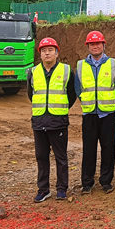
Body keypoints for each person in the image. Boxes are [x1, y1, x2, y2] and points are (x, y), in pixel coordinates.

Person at [27, 37, 77, 203]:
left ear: (57, 53)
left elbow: (71, 95)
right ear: (40, 54)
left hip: (58, 122)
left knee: (61, 157)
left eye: (50, 50)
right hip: (39, 121)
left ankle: (62, 189)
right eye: (43, 50)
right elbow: (31, 94)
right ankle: (43, 190)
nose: (47, 53)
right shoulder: (33, 72)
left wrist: (59, 109)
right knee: (41, 157)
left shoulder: (66, 71)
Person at [75, 30, 115, 195]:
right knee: (88, 149)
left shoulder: (113, 64)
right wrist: (85, 101)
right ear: (87, 46)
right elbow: (78, 87)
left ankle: (106, 181)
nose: (95, 46)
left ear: (103, 45)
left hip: (107, 114)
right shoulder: (81, 65)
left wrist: (110, 102)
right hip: (89, 114)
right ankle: (87, 183)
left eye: (98, 43)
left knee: (108, 148)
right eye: (92, 44)